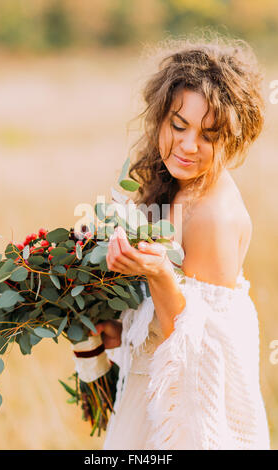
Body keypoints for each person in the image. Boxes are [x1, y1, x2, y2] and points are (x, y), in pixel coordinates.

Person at [93, 35, 271, 450]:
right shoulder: (178, 185)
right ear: (160, 117)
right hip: (156, 391)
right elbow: (165, 318)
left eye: (209, 135)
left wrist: (156, 270)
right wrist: (123, 330)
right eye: (179, 125)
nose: (189, 146)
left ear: (233, 139)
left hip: (186, 418)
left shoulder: (214, 215)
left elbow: (194, 346)